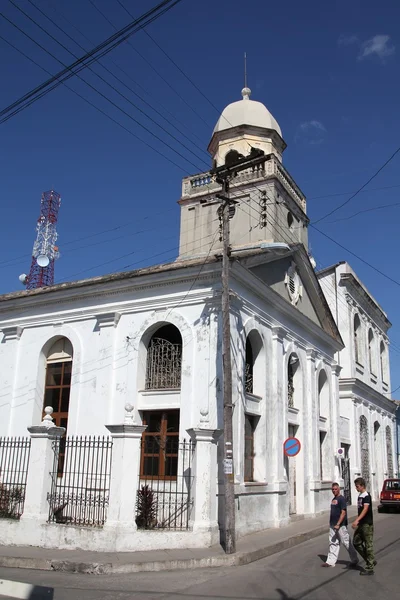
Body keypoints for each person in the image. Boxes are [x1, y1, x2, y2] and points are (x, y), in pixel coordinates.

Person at [321, 482, 358, 568]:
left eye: (335, 489)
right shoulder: (333, 499)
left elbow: (343, 512)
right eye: (332, 489)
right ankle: (330, 561)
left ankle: (354, 559)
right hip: (333, 525)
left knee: (346, 542)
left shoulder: (341, 499)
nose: (334, 491)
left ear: (339, 489)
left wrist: (338, 523)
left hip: (340, 525)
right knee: (333, 542)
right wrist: (332, 523)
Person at [352, 477, 376, 576]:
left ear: (362, 486)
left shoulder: (366, 496)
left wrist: (356, 520)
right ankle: (370, 559)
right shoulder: (360, 495)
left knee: (368, 545)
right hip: (361, 524)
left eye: (357, 486)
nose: (356, 488)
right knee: (356, 542)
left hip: (367, 524)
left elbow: (365, 509)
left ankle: (370, 568)